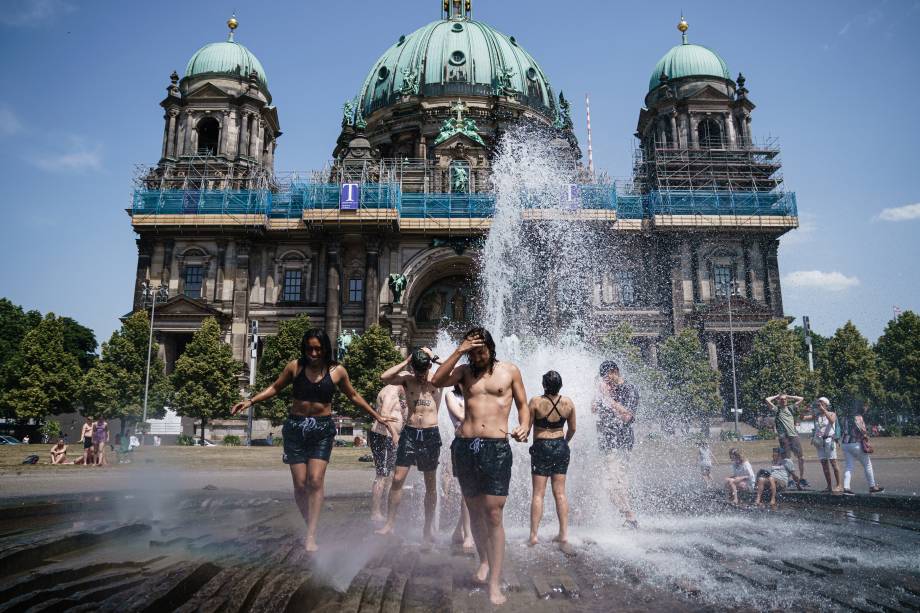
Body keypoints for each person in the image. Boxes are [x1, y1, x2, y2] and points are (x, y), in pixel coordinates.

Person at [231, 328, 397, 552]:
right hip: (296, 428)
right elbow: (275, 387)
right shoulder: (295, 366)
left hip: (321, 429)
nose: (313, 352)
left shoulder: (337, 371)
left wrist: (376, 415)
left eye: (318, 348)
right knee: (300, 485)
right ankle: (312, 524)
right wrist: (250, 401)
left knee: (315, 480)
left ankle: (311, 535)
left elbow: (354, 395)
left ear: (325, 349)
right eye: (309, 348)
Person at [431, 327, 529, 606]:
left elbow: (523, 405)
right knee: (473, 510)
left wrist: (524, 426)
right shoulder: (463, 371)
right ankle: (483, 561)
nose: (477, 356)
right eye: (472, 351)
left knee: (494, 513)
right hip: (465, 447)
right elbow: (437, 380)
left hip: (496, 448)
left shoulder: (510, 371)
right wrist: (459, 350)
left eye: (480, 350)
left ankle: (495, 582)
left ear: (490, 347)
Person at [376, 347, 445, 546]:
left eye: (423, 371)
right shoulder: (408, 378)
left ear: (429, 366)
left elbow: (454, 371)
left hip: (430, 434)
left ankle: (427, 528)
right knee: (397, 478)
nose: (421, 376)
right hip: (410, 432)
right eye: (417, 371)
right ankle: (390, 524)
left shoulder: (438, 379)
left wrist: (435, 358)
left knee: (430, 482)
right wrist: (406, 362)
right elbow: (384, 376)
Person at [527, 370, 576, 550]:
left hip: (541, 446)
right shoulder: (568, 403)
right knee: (560, 493)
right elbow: (572, 429)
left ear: (544, 385)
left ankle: (533, 536)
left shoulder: (536, 402)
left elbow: (527, 426)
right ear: (560, 384)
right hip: (560, 447)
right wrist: (563, 443)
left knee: (538, 493)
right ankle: (563, 535)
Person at [592, 360, 640, 529]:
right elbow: (593, 410)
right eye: (603, 379)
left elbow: (627, 416)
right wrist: (598, 396)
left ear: (614, 372)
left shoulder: (629, 389)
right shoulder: (606, 390)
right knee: (612, 484)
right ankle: (629, 519)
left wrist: (608, 399)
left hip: (621, 444)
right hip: (606, 443)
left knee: (614, 484)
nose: (605, 381)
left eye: (606, 377)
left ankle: (630, 517)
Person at [369, 385, 407, 522]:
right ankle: (375, 512)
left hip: (391, 437)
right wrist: (394, 433)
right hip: (383, 436)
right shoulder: (391, 391)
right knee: (382, 475)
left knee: (391, 476)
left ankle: (387, 510)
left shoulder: (399, 395)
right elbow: (383, 415)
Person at [444, 384, 474, 552]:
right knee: (467, 492)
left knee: (475, 492)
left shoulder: (474, 394)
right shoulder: (451, 396)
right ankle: (468, 535)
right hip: (462, 444)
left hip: (478, 443)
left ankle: (458, 531)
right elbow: (463, 416)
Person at [841, 400, 884, 495]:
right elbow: (862, 431)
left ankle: (846, 487)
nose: (866, 408)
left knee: (849, 466)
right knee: (867, 465)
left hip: (845, 443)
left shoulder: (845, 417)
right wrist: (866, 436)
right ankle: (872, 486)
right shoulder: (858, 417)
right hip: (855, 444)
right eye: (865, 406)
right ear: (860, 407)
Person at [766, 393, 807, 487]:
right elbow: (767, 399)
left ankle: (802, 478)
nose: (783, 400)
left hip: (794, 435)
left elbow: (801, 398)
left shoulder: (791, 408)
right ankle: (790, 479)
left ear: (787, 400)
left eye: (784, 399)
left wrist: (789, 396)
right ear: (778, 401)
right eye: (781, 399)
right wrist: (776, 396)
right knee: (787, 460)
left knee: (801, 457)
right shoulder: (777, 409)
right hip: (784, 438)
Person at [802, 397, 842, 493]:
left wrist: (824, 410)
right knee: (824, 464)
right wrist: (804, 411)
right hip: (820, 442)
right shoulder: (817, 415)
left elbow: (832, 421)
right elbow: (802, 418)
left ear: (826, 405)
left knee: (833, 463)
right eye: (818, 403)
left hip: (829, 440)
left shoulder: (832, 413)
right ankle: (829, 486)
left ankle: (839, 485)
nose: (819, 405)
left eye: (821, 403)